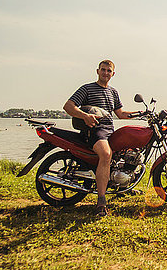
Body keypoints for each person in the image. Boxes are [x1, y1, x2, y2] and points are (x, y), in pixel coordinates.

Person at [63, 59, 136, 217]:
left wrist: (141, 114)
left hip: (110, 130)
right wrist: (85, 116)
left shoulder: (113, 92)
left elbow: (121, 114)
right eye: (103, 70)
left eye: (109, 71)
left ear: (113, 74)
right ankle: (101, 200)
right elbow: (68, 106)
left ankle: (121, 185)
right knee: (106, 154)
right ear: (97, 71)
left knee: (126, 151)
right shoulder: (87, 89)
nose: (105, 73)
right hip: (94, 130)